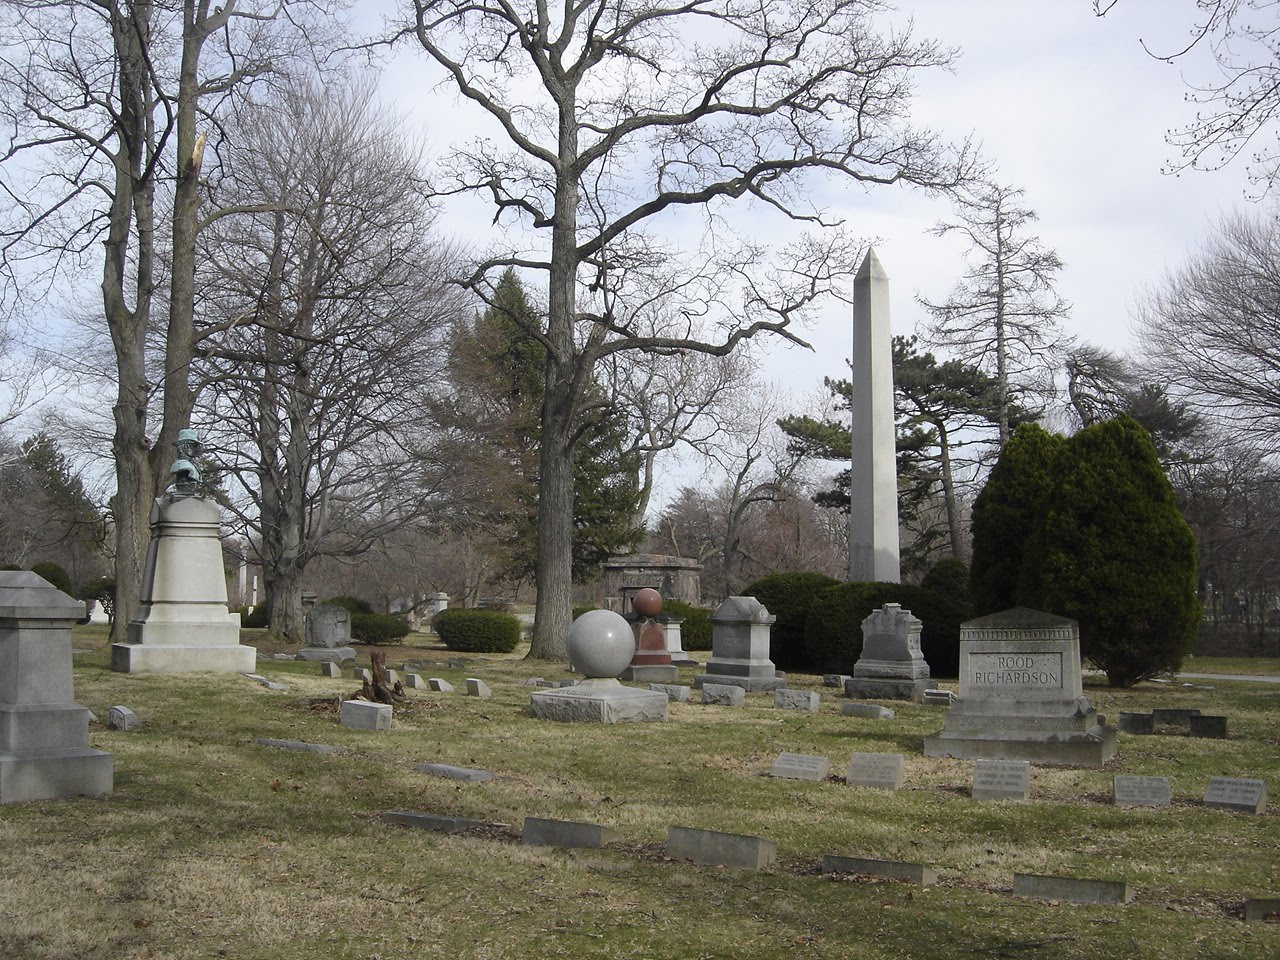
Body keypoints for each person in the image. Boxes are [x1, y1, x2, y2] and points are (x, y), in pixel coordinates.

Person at [169, 428, 202, 497]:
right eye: (194, 446)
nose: (196, 449)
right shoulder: (183, 465)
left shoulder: (191, 464)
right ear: (185, 447)